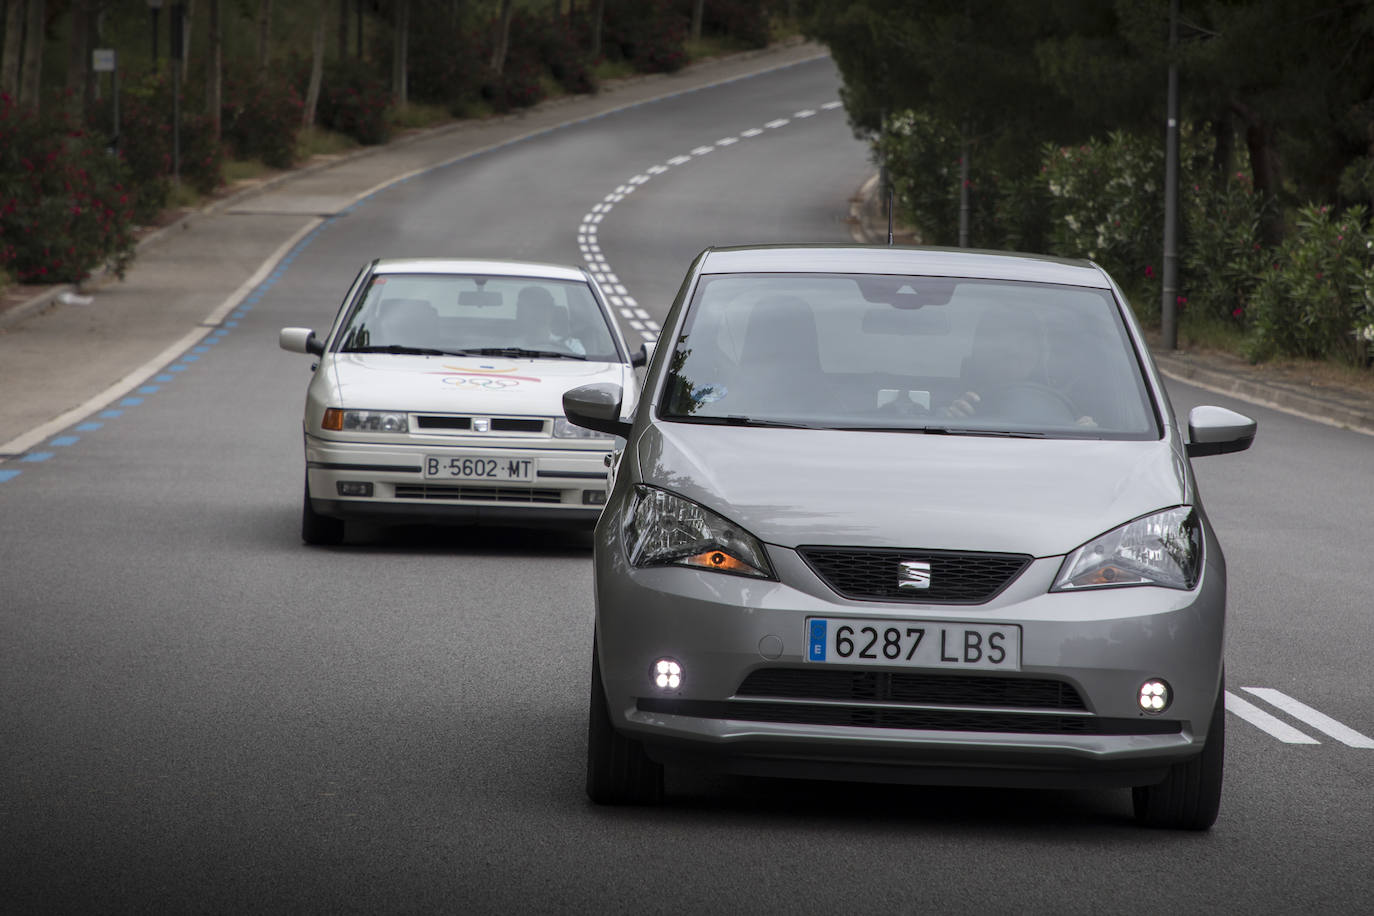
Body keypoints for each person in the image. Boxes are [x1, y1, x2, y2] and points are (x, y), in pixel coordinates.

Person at [945, 305, 1096, 427]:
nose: (1012, 352)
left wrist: (1084, 431)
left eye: (1022, 343)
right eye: (1000, 346)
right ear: (982, 354)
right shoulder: (956, 401)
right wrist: (952, 421)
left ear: (1038, 356)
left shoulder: (1070, 405)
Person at [516, 286, 585, 355]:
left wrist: (565, 352)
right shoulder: (509, 348)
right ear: (520, 315)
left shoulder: (572, 346)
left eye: (543, 307)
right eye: (532, 308)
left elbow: (585, 364)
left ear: (552, 311)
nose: (538, 314)